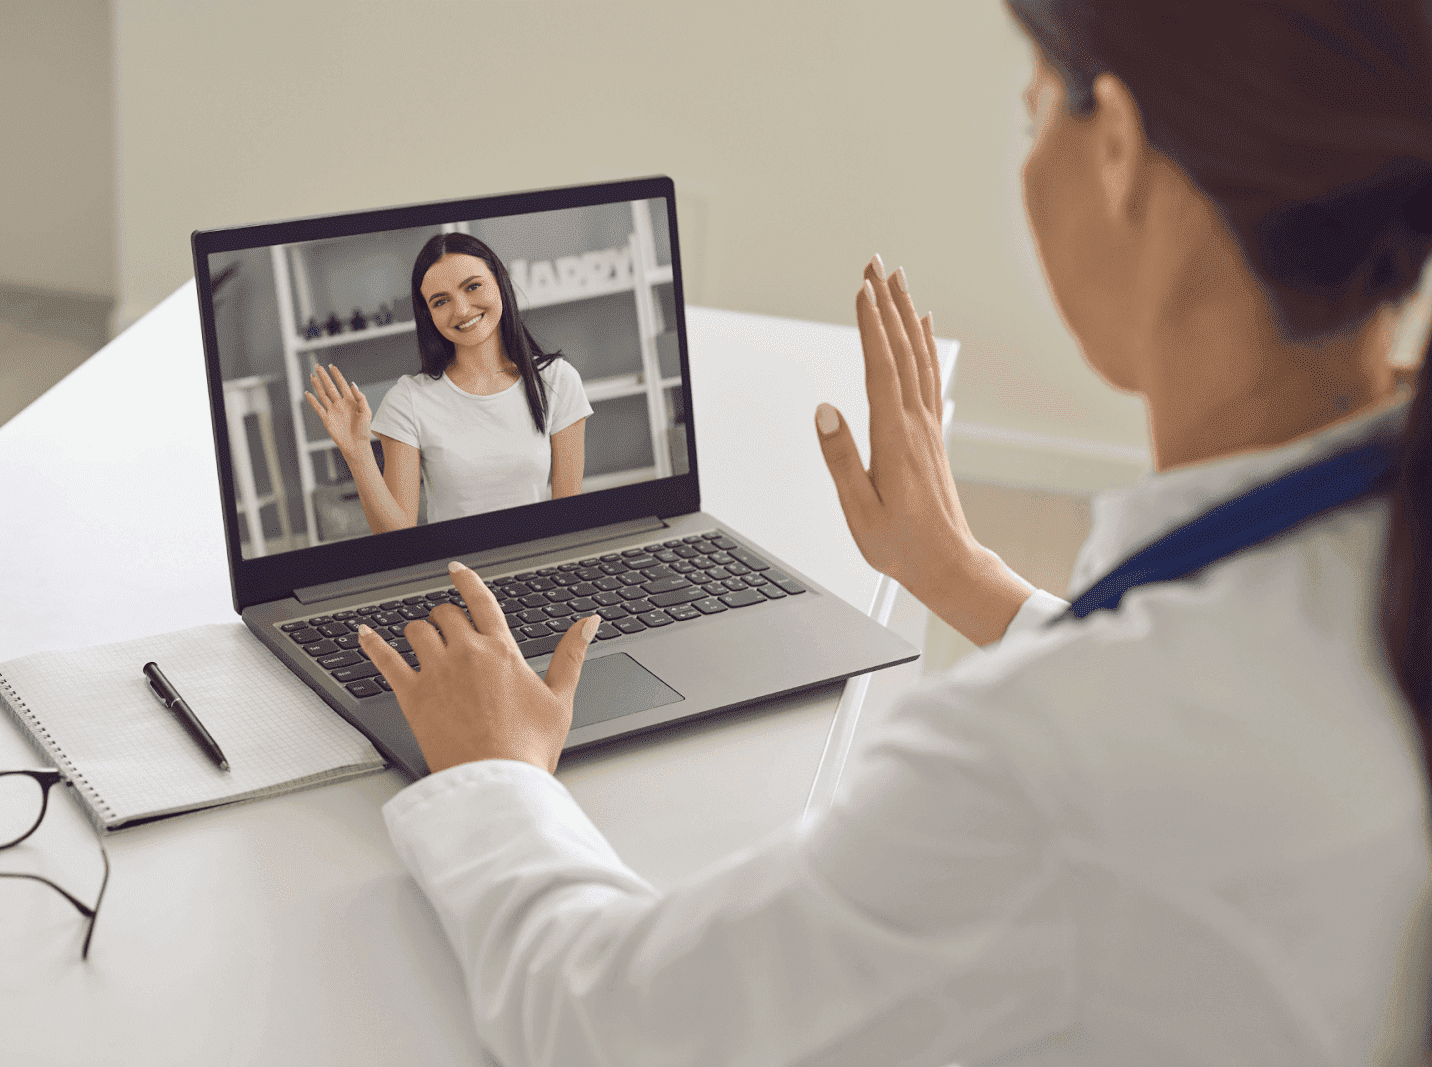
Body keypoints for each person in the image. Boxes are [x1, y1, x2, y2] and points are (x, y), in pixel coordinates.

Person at [358, 1, 1432, 1063]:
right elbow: (1217, 696)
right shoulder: (1378, 541)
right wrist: (967, 579)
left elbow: (610, 1025)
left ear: (1114, 146)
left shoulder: (1041, 761)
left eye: (1030, 124)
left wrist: (495, 772)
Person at [305, 232, 592, 532]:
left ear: (500, 282)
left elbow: (567, 518)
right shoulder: (407, 400)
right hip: (455, 569)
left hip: (537, 565)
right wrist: (359, 454)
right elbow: (397, 535)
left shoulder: (557, 380)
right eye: (441, 301)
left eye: (473, 286)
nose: (462, 310)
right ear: (428, 314)